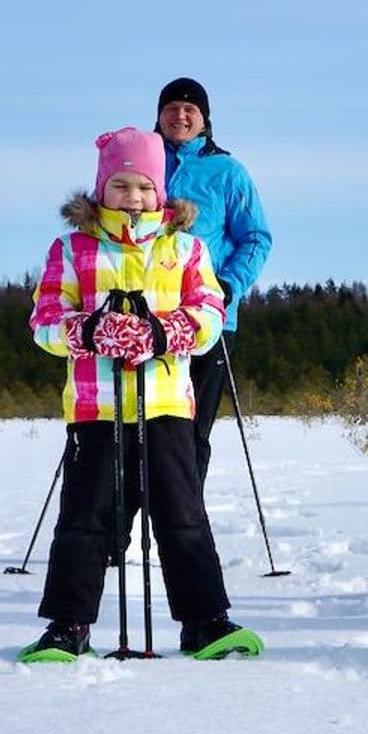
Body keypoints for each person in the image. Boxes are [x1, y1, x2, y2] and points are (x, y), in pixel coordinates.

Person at [18, 127, 260, 662]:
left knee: (182, 515)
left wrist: (161, 332)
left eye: (145, 187)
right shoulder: (72, 248)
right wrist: (90, 330)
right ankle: (69, 624)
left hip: (166, 404)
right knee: (85, 517)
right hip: (96, 408)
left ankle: (204, 621)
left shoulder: (185, 247)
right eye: (122, 185)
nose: (134, 197)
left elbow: (209, 314)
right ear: (102, 188)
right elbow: (45, 319)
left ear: (161, 191)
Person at [151, 77, 273, 486]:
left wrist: (227, 285)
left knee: (190, 431)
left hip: (208, 318)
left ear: (205, 119)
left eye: (190, 109)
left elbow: (255, 238)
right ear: (159, 115)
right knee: (139, 429)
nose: (180, 115)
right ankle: (128, 517)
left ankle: (186, 517)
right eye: (171, 108)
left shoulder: (228, 172)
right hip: (144, 317)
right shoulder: (140, 163)